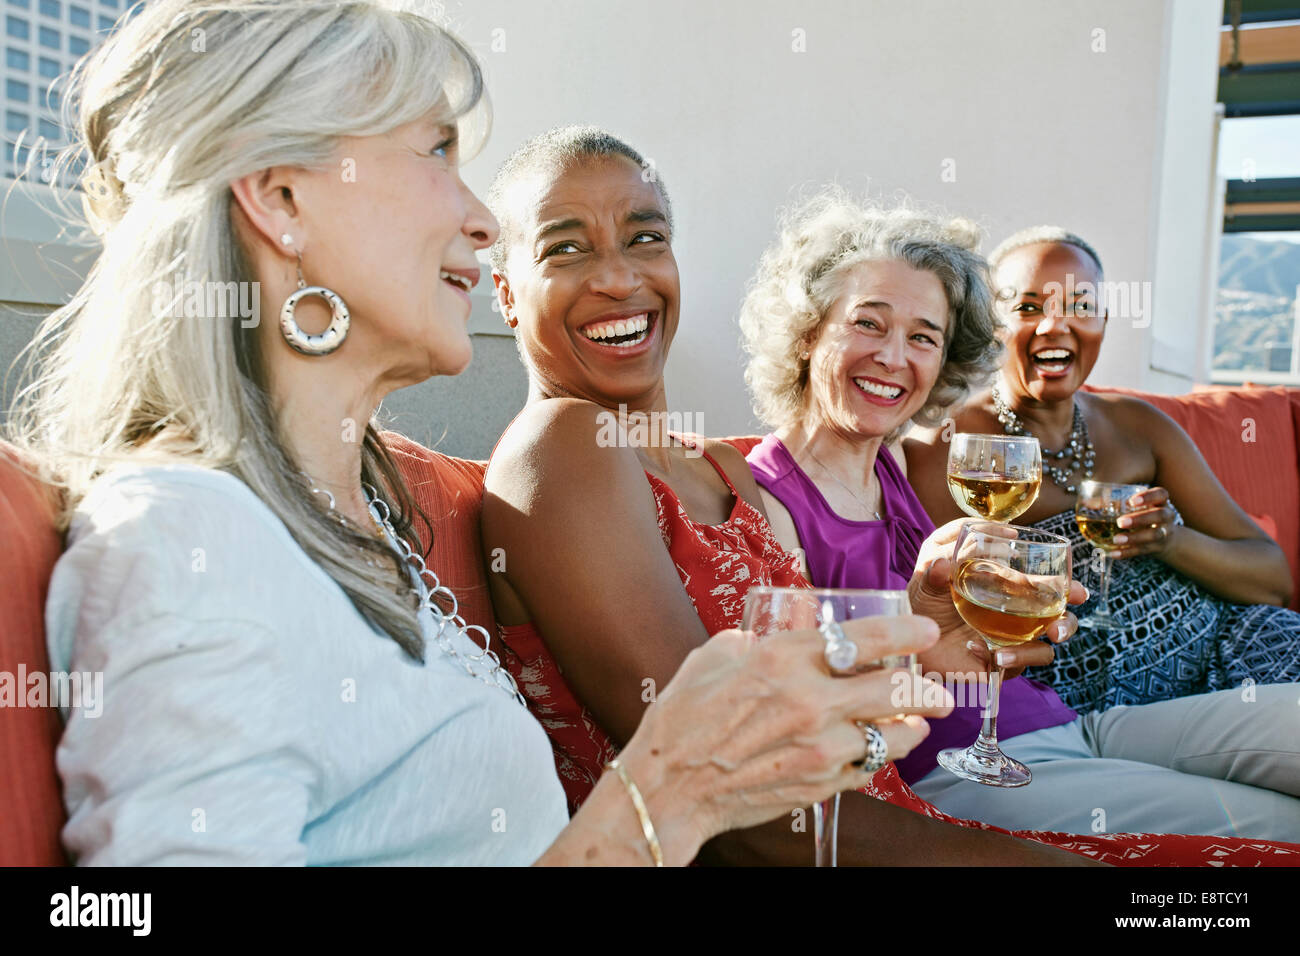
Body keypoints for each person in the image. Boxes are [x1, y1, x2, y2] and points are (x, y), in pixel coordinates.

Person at [8, 0, 946, 867]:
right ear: (282, 198)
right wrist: (668, 795)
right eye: (435, 151)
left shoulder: (352, 519)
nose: (481, 218)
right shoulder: (188, 540)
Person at [479, 126, 1300, 864]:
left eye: (645, 238)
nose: (620, 277)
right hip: (917, 797)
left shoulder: (716, 473)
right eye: (566, 249)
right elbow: (727, 783)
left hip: (996, 747)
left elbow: (823, 690)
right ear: (504, 291)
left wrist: (927, 635)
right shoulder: (572, 447)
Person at [736, 192, 1300, 840]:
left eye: (924, 336)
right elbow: (790, 705)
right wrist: (920, 641)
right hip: (962, 765)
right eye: (869, 323)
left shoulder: (886, 468)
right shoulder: (771, 498)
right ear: (808, 331)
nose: (897, 357)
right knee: (1277, 827)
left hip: (1066, 723)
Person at [903, 227, 1300, 715]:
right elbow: (937, 605)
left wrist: (1170, 540)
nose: (1054, 326)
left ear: (1104, 323)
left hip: (1232, 649)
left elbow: (1272, 579)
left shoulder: (1140, 425)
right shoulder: (952, 451)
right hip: (1094, 709)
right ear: (992, 325)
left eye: (1080, 306)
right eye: (1028, 308)